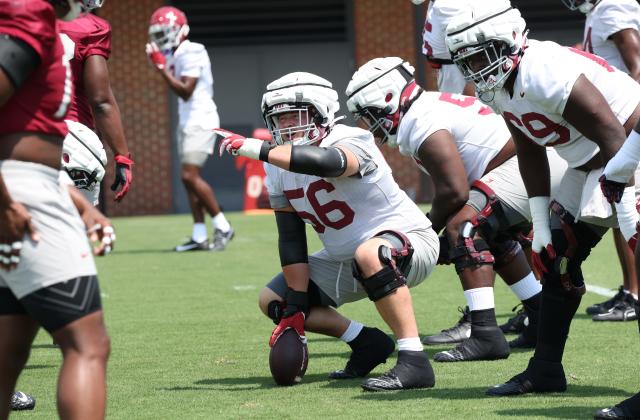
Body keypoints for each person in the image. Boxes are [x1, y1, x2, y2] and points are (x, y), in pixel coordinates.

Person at [445, 4, 640, 397]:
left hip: (627, 153)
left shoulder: (541, 68)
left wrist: (625, 207)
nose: (477, 67)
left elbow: (613, 134)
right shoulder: (501, 83)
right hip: (588, 160)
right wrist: (539, 224)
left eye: (483, 54)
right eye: (467, 59)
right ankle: (545, 370)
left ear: (512, 40)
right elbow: (529, 147)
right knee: (556, 257)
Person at [215, 72, 439, 391]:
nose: (286, 126)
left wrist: (259, 149)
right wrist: (294, 308)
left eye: (295, 115)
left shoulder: (351, 139)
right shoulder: (276, 165)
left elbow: (328, 163)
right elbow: (291, 236)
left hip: (410, 242)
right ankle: (366, 342)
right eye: (278, 119)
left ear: (321, 113)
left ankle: (414, 361)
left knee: (369, 254)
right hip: (344, 259)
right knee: (274, 299)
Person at [346, 57, 569, 360]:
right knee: (488, 231)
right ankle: (539, 314)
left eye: (369, 114)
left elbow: (454, 191)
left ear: (387, 97)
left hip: (529, 164)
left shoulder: (420, 119)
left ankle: (485, 334)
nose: (369, 124)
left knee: (463, 227)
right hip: (529, 162)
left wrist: (424, 232)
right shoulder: (425, 109)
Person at [0, 1, 114, 419]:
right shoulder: (25, 13)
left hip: (31, 186)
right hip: (21, 195)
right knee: (88, 345)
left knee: (7, 356)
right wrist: (5, 203)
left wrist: (77, 201)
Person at [563, 0, 640, 322]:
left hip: (625, 122)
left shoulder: (611, 7)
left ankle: (635, 294)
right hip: (618, 122)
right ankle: (629, 289)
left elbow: (636, 64)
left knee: (624, 206)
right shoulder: (598, 11)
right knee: (615, 205)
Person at [146, 6, 233, 252]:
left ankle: (223, 225)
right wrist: (162, 64)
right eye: (160, 32)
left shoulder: (192, 50)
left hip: (200, 119)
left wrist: (161, 69)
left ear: (181, 30)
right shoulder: (174, 52)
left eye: (167, 31)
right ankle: (199, 235)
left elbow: (186, 91)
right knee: (189, 181)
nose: (163, 36)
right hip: (187, 121)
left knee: (188, 176)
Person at [58, 1, 133, 203]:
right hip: (74, 138)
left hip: (21, 134)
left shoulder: (18, 15)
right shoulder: (88, 27)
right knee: (76, 225)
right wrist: (122, 157)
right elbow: (101, 101)